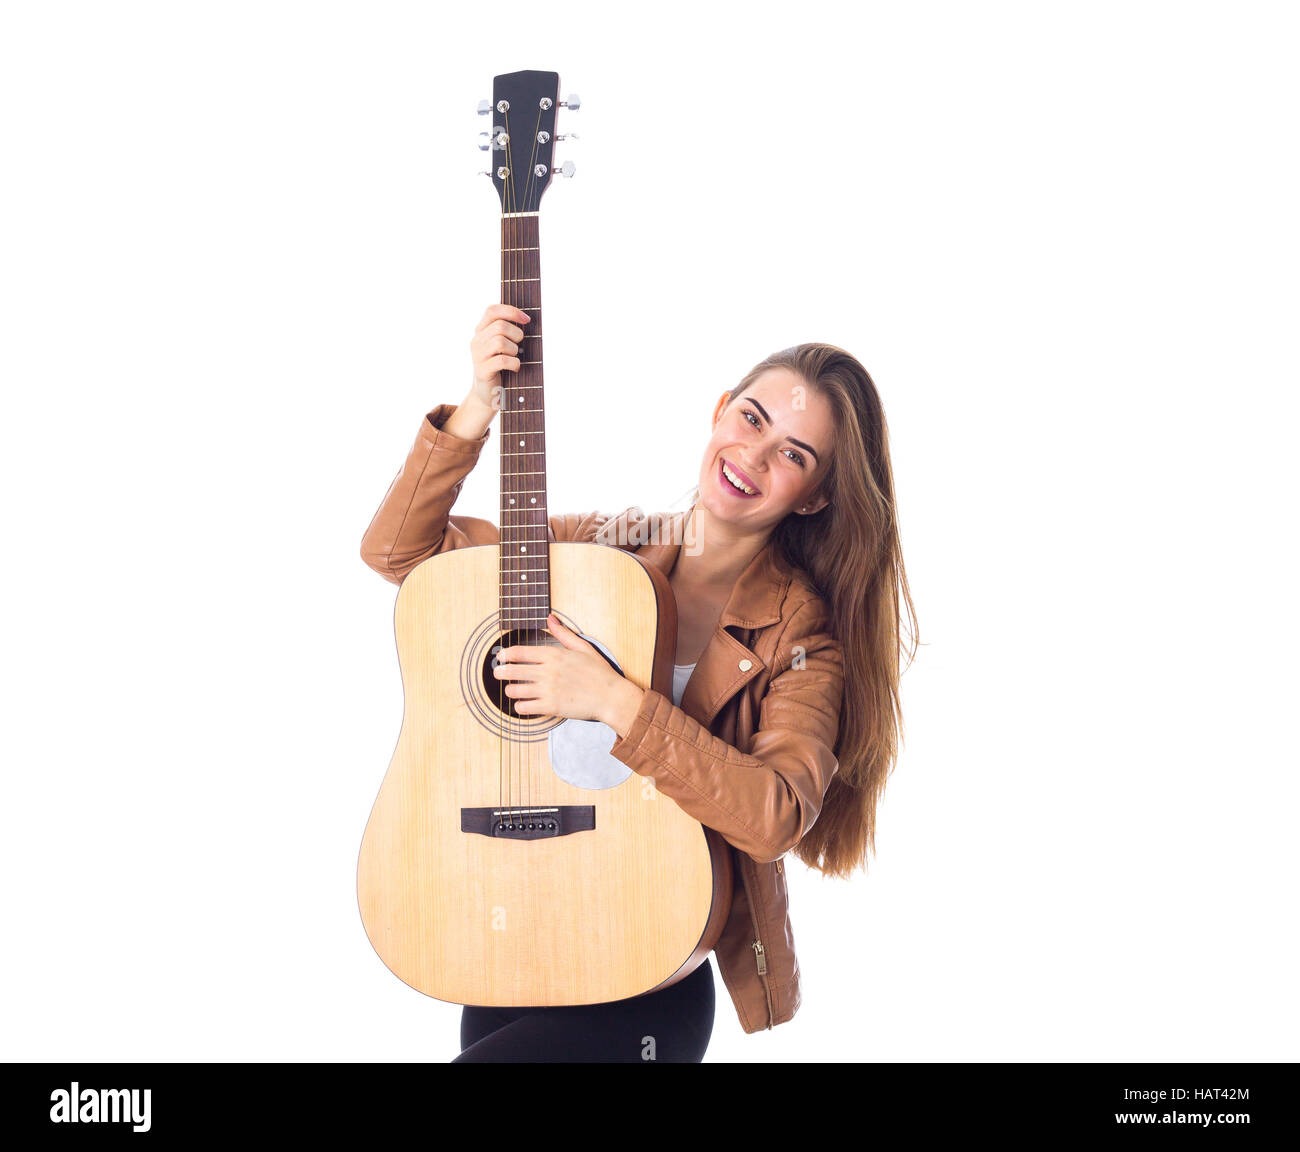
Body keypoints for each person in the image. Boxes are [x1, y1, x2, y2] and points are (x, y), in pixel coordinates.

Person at [359, 303, 918, 1062]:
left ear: (815, 495)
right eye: (751, 419)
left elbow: (775, 814)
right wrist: (478, 407)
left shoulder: (802, 636)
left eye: (792, 454)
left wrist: (615, 701)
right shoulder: (603, 551)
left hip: (649, 967)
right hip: (508, 934)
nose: (752, 457)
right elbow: (401, 556)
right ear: (719, 410)